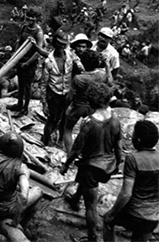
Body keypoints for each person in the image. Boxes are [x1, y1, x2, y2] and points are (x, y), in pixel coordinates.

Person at [60, 82, 122, 242]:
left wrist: (66, 164)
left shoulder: (89, 123)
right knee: (86, 184)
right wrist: (118, 163)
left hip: (92, 167)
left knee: (91, 206)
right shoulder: (115, 119)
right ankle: (74, 199)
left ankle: (92, 237)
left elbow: (76, 149)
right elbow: (118, 146)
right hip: (108, 164)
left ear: (91, 101)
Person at [102, 120, 159, 242]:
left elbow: (126, 194)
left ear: (138, 140)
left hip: (134, 214)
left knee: (108, 221)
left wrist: (112, 213)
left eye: (133, 135)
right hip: (153, 217)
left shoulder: (133, 158)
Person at [39, 30, 84, 146]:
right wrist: (44, 103)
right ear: (54, 43)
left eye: (64, 44)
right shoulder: (49, 61)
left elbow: (80, 66)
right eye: (59, 43)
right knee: (52, 118)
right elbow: (43, 83)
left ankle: (61, 140)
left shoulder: (70, 55)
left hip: (67, 93)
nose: (62, 47)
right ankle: (46, 139)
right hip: (54, 93)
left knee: (65, 118)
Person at [8, 8, 44, 117]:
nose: (30, 19)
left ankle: (25, 108)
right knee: (21, 84)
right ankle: (19, 104)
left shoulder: (39, 32)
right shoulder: (24, 27)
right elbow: (19, 42)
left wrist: (27, 63)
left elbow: (38, 52)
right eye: (28, 17)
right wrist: (15, 56)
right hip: (20, 60)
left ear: (36, 18)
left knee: (28, 86)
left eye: (33, 17)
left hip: (30, 63)